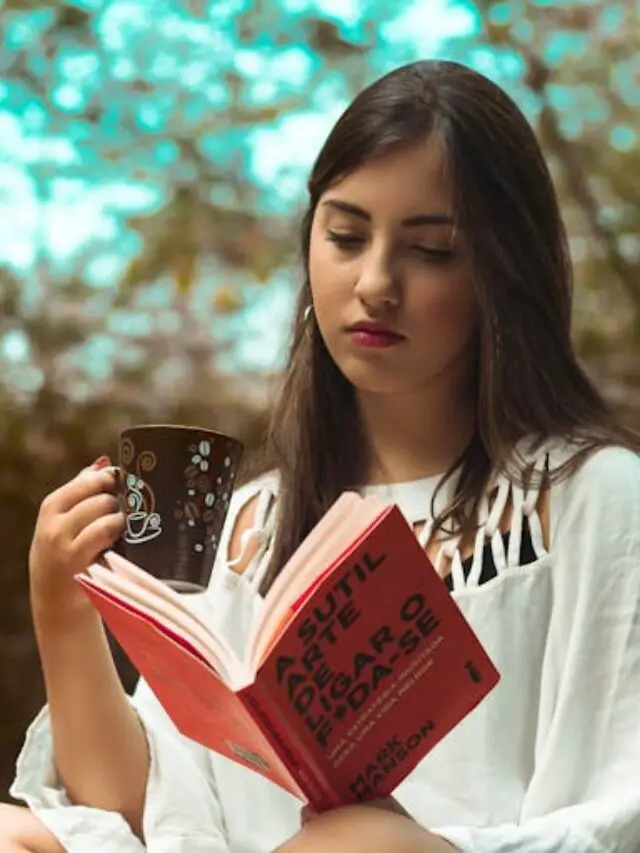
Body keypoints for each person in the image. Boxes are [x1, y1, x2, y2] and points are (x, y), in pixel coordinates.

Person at [3, 58, 640, 853]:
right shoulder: (251, 519)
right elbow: (149, 817)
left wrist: (412, 846)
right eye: (344, 236)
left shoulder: (590, 498)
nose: (375, 282)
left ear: (502, 271)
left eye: (432, 249)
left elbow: (620, 810)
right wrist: (62, 610)